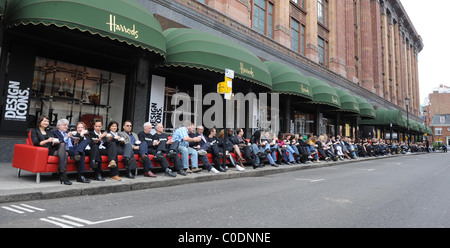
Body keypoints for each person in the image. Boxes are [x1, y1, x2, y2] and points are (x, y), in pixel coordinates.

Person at [30, 115, 71, 185]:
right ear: (40, 122)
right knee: (65, 153)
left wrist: (55, 142)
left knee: (63, 146)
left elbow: (52, 142)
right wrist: (47, 140)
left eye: (47, 121)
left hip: (51, 148)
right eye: (45, 121)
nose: (46, 123)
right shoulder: (34, 131)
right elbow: (36, 143)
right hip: (43, 150)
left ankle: (62, 172)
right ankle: (63, 174)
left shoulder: (49, 131)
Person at [52, 118, 90, 183]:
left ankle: (77, 153)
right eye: (64, 125)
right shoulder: (55, 133)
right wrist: (67, 137)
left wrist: (75, 142)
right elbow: (59, 142)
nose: (66, 127)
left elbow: (72, 143)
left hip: (73, 149)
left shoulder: (69, 133)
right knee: (82, 153)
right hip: (65, 150)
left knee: (85, 140)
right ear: (58, 126)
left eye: (67, 125)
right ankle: (80, 176)